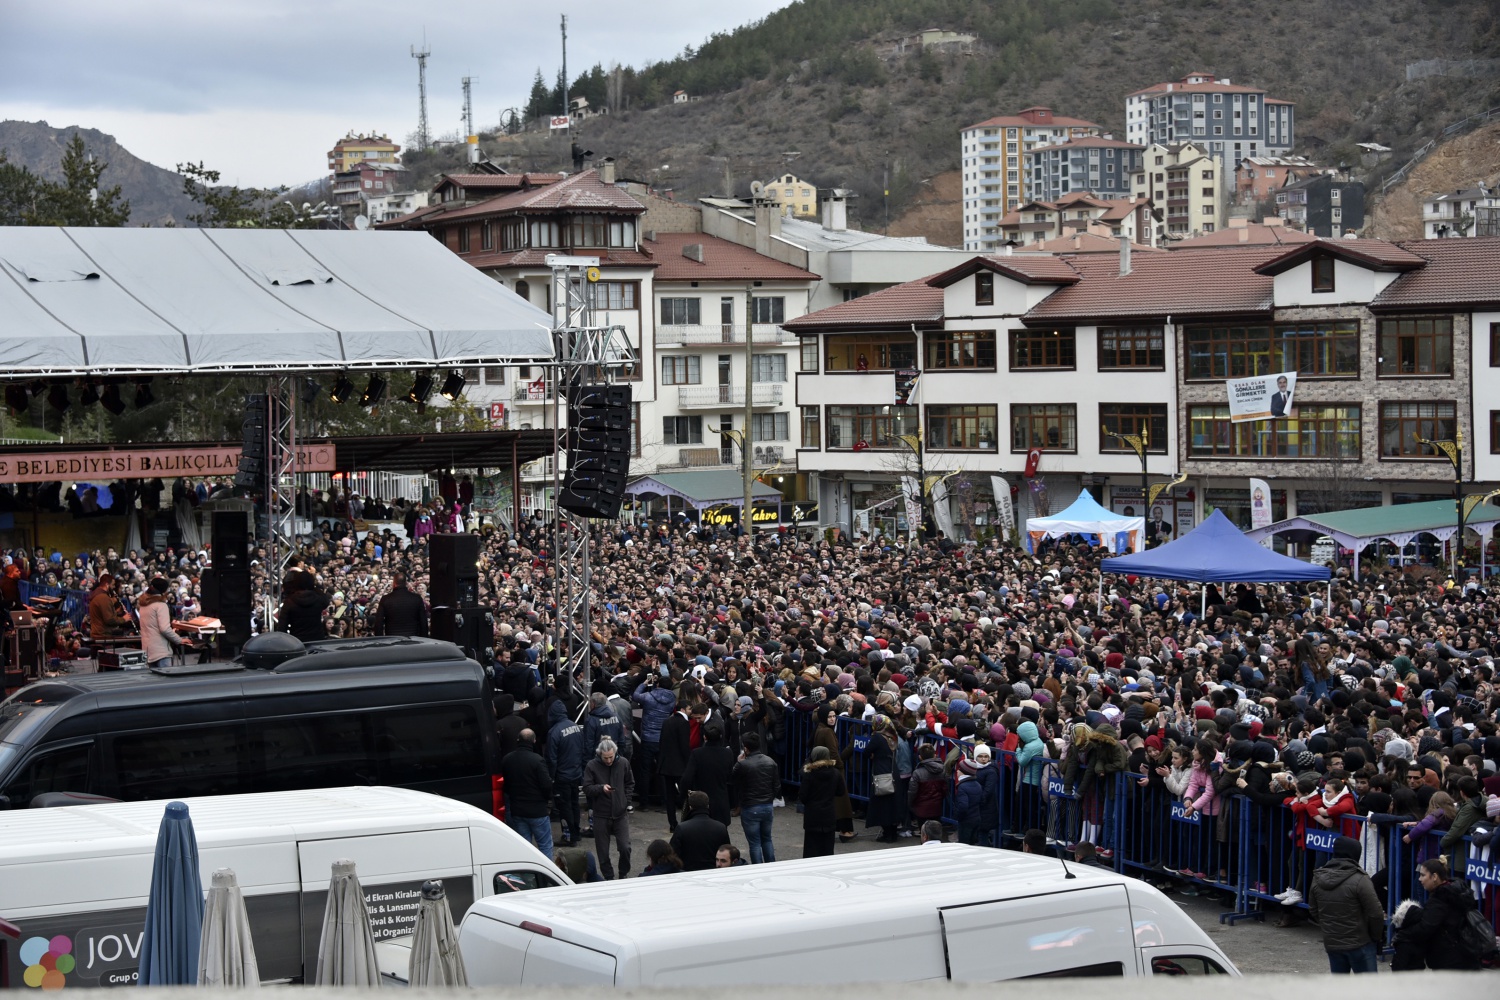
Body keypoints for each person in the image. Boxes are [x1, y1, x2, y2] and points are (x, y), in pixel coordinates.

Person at [1306, 835, 1384, 973]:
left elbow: (1313, 909)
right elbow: (1376, 913)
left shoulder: (1318, 877)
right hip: (1360, 943)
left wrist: (1330, 927)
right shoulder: (1360, 879)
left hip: (1333, 943)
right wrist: (1375, 936)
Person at [1403, 857, 1483, 970]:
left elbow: (1425, 927)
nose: (1420, 879)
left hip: (1449, 960)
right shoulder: (1456, 891)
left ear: (1434, 877)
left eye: (1423, 875)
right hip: (1465, 955)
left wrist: (1403, 933)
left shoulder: (1439, 899)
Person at [582, 738, 633, 880]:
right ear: (600, 754)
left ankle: (623, 873)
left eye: (611, 757)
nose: (609, 760)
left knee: (625, 847)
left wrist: (626, 801)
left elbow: (630, 783)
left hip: (620, 814)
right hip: (601, 815)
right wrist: (600, 788)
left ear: (615, 753)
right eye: (606, 758)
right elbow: (586, 788)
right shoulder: (592, 766)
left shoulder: (623, 763)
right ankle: (609, 877)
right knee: (603, 852)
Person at [499, 729, 553, 860]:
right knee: (545, 846)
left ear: (518, 740)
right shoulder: (538, 760)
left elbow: (506, 786)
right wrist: (548, 801)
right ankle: (547, 871)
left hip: (517, 811)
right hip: (537, 811)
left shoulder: (507, 759)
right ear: (534, 741)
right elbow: (546, 785)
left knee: (524, 847)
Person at [546, 699, 587, 846]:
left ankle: (570, 836)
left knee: (564, 807)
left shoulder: (554, 732)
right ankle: (576, 832)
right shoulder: (576, 727)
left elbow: (551, 759)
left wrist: (551, 777)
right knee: (574, 804)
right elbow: (582, 750)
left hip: (562, 777)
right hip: (575, 774)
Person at [732, 733, 779, 864]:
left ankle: (757, 867)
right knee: (767, 839)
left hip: (750, 806)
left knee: (754, 843)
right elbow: (776, 786)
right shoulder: (770, 761)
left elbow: (732, 779)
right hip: (767, 805)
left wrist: (738, 762)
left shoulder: (743, 765)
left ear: (746, 748)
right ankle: (771, 865)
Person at [680, 722, 735, 826]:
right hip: (720, 800)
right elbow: (730, 776)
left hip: (700, 802)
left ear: (705, 737)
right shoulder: (728, 753)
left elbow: (687, 778)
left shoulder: (697, 753)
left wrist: (683, 794)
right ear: (721, 736)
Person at [800, 745, 847, 858]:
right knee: (827, 850)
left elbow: (803, 796)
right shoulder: (835, 773)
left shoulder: (809, 774)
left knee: (811, 849)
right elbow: (841, 791)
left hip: (812, 816)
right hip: (829, 815)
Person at [670, 790, 730, 872]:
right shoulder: (720, 827)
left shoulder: (682, 828)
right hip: (714, 871)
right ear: (708, 805)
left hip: (688, 872)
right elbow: (727, 852)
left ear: (690, 807)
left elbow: (672, 854)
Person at [137, 577, 187, 670]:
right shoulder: (161, 605)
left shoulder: (143, 605)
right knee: (166, 677)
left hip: (147, 650)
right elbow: (164, 629)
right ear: (164, 591)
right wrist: (179, 640)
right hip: (161, 651)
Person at [275, 570, 330, 643]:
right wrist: (314, 588)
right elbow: (326, 601)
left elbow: (282, 626)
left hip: (297, 641)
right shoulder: (318, 599)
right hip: (317, 640)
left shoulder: (289, 601)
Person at [369, 571, 427, 637]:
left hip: (392, 637)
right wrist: (424, 638)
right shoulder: (416, 598)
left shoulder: (386, 599)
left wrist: (380, 639)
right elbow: (423, 621)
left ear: (394, 583)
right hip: (413, 637)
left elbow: (379, 622)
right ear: (406, 583)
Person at [87, 573, 129, 641]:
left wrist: (115, 612)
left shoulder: (97, 595)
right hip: (102, 636)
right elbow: (109, 620)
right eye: (112, 585)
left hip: (97, 634)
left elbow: (102, 615)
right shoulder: (103, 598)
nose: (114, 587)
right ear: (107, 585)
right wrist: (124, 619)